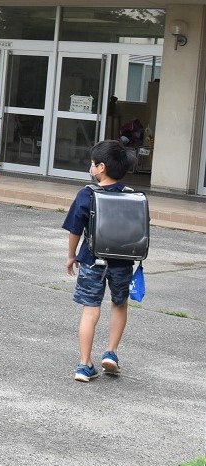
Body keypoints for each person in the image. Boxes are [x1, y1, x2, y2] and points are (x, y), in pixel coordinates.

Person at [62, 140, 136, 382]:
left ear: (101, 167)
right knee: (119, 304)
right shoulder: (131, 197)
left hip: (92, 260)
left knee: (91, 310)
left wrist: (72, 255)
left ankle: (84, 365)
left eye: (93, 164)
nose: (91, 168)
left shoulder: (87, 194)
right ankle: (111, 353)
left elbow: (75, 229)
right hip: (123, 261)